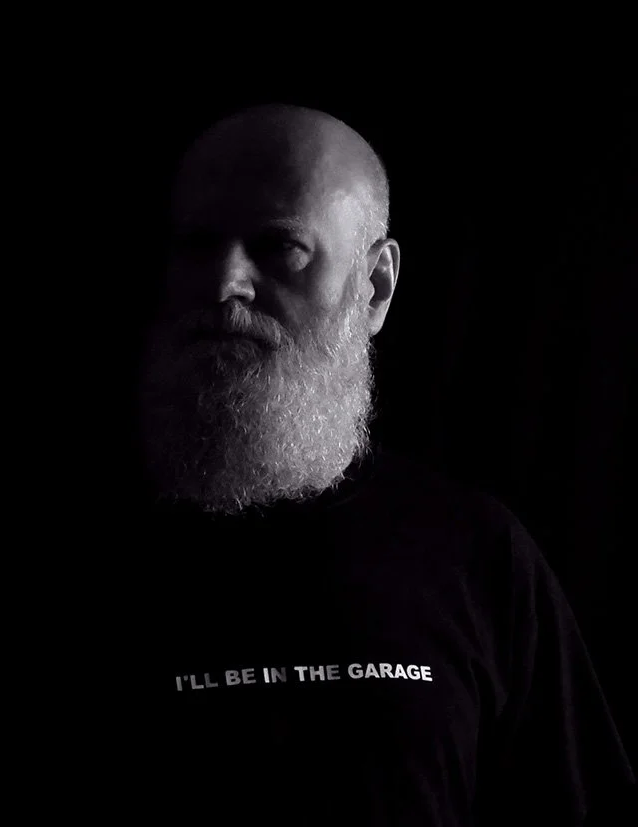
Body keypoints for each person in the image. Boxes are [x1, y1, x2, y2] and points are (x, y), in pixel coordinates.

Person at [135, 104, 635, 825]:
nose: (225, 283)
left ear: (375, 287)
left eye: (280, 247)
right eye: (197, 245)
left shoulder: (476, 554)